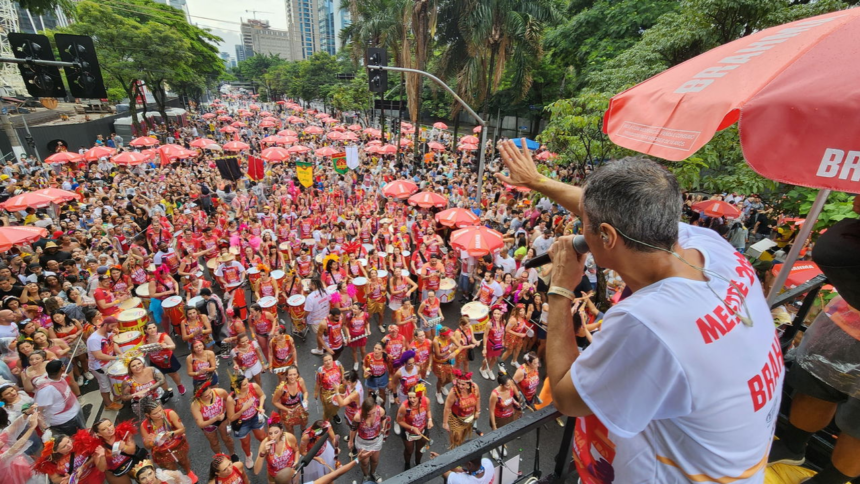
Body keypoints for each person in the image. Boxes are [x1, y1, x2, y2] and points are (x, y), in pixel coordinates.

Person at [497, 141, 780, 483]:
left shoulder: (649, 322)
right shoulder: (710, 245)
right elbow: (609, 217)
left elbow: (567, 399)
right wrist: (537, 181)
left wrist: (560, 288)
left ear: (607, 235)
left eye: (584, 223)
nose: (579, 226)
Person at [767, 208, 860, 484]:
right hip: (843, 322)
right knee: (814, 386)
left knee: (857, 426)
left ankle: (832, 478)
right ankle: (792, 446)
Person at [139, 397, 193, 476]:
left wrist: (171, 433)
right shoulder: (144, 426)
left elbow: (182, 429)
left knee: (184, 461)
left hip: (176, 444)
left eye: (160, 410)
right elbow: (147, 446)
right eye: (155, 413)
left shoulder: (169, 414)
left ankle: (189, 473)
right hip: (162, 450)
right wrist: (154, 442)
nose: (160, 414)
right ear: (148, 415)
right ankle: (179, 479)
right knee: (171, 468)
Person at [226, 374, 266, 469]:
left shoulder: (253, 386)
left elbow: (262, 395)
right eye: (244, 384)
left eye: (247, 382)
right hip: (242, 423)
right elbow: (231, 418)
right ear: (237, 387)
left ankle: (267, 450)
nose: (248, 385)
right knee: (245, 443)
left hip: (255, 417)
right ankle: (248, 456)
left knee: (262, 437)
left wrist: (260, 407)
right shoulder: (231, 399)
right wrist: (243, 409)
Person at [34, 359, 83, 436]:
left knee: (85, 434)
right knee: (77, 440)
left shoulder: (60, 377)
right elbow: (38, 410)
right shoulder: (46, 389)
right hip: (65, 421)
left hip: (75, 413)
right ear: (62, 368)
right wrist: (45, 428)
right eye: (63, 364)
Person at [85, 315, 123, 410]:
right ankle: (108, 404)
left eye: (115, 326)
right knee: (104, 385)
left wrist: (121, 353)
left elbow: (112, 344)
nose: (114, 328)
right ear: (105, 325)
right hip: (98, 367)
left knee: (112, 380)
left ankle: (116, 396)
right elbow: (98, 356)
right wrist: (117, 357)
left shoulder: (108, 332)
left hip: (108, 362)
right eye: (112, 326)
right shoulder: (94, 339)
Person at [351, 393, 388, 483]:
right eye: (368, 414)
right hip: (363, 442)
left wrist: (383, 427)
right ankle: (366, 475)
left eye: (373, 412)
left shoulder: (380, 410)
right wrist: (351, 441)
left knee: (375, 460)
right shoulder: (358, 417)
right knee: (364, 462)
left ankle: (373, 472)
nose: (371, 415)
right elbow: (353, 429)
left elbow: (383, 419)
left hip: (376, 440)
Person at [191, 381, 234, 455]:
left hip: (223, 418)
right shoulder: (195, 405)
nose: (210, 395)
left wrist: (229, 416)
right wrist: (216, 418)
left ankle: (232, 453)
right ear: (199, 397)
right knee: (214, 443)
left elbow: (229, 401)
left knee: (226, 438)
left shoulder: (220, 392)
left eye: (210, 392)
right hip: (208, 424)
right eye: (206, 396)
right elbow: (201, 424)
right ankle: (220, 455)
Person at [395, 385, 433, 471]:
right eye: (410, 397)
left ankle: (418, 463)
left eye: (414, 397)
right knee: (409, 451)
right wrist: (412, 428)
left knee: (420, 450)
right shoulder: (404, 407)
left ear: (419, 396)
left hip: (422, 430)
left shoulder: (426, 401)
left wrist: (430, 419)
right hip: (408, 433)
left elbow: (428, 411)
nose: (411, 400)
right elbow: (399, 420)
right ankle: (407, 464)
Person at [252, 416, 299, 484]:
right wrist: (263, 453)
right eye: (270, 433)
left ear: (281, 431)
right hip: (275, 478)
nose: (273, 436)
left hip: (289, 475)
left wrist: (296, 461)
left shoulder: (289, 438)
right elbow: (256, 471)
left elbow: (296, 450)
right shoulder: (265, 443)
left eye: (276, 432)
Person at [143, 322, 185, 395]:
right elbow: (144, 349)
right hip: (155, 361)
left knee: (173, 374)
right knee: (160, 377)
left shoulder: (163, 336)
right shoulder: (145, 339)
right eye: (149, 328)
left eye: (154, 327)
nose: (152, 330)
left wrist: (166, 346)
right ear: (146, 331)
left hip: (167, 359)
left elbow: (173, 346)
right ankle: (167, 391)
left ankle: (179, 385)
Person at [443, 369, 480, 449]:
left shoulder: (475, 388)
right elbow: (447, 407)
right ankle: (455, 449)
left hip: (469, 417)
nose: (460, 386)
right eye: (458, 383)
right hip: (456, 419)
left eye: (463, 384)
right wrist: (445, 423)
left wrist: (477, 411)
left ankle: (459, 446)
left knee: (464, 434)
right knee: (457, 437)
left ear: (468, 384)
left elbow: (478, 397)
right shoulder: (453, 392)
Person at [271, 366, 309, 440]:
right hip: (287, 410)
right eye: (290, 375)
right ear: (286, 376)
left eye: (294, 374)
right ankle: (292, 438)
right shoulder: (281, 388)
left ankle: (303, 429)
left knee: (304, 420)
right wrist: (286, 409)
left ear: (298, 374)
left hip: (299, 406)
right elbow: (274, 402)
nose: (292, 377)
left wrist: (305, 399)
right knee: (289, 427)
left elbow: (305, 392)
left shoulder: (300, 381)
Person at [314, 353, 344, 424]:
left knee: (337, 404)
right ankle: (326, 421)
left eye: (329, 359)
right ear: (323, 362)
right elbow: (318, 383)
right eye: (326, 361)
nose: (328, 362)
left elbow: (342, 374)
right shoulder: (321, 371)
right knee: (328, 408)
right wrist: (316, 393)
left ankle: (334, 414)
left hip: (338, 389)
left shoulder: (337, 364)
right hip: (327, 392)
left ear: (332, 359)